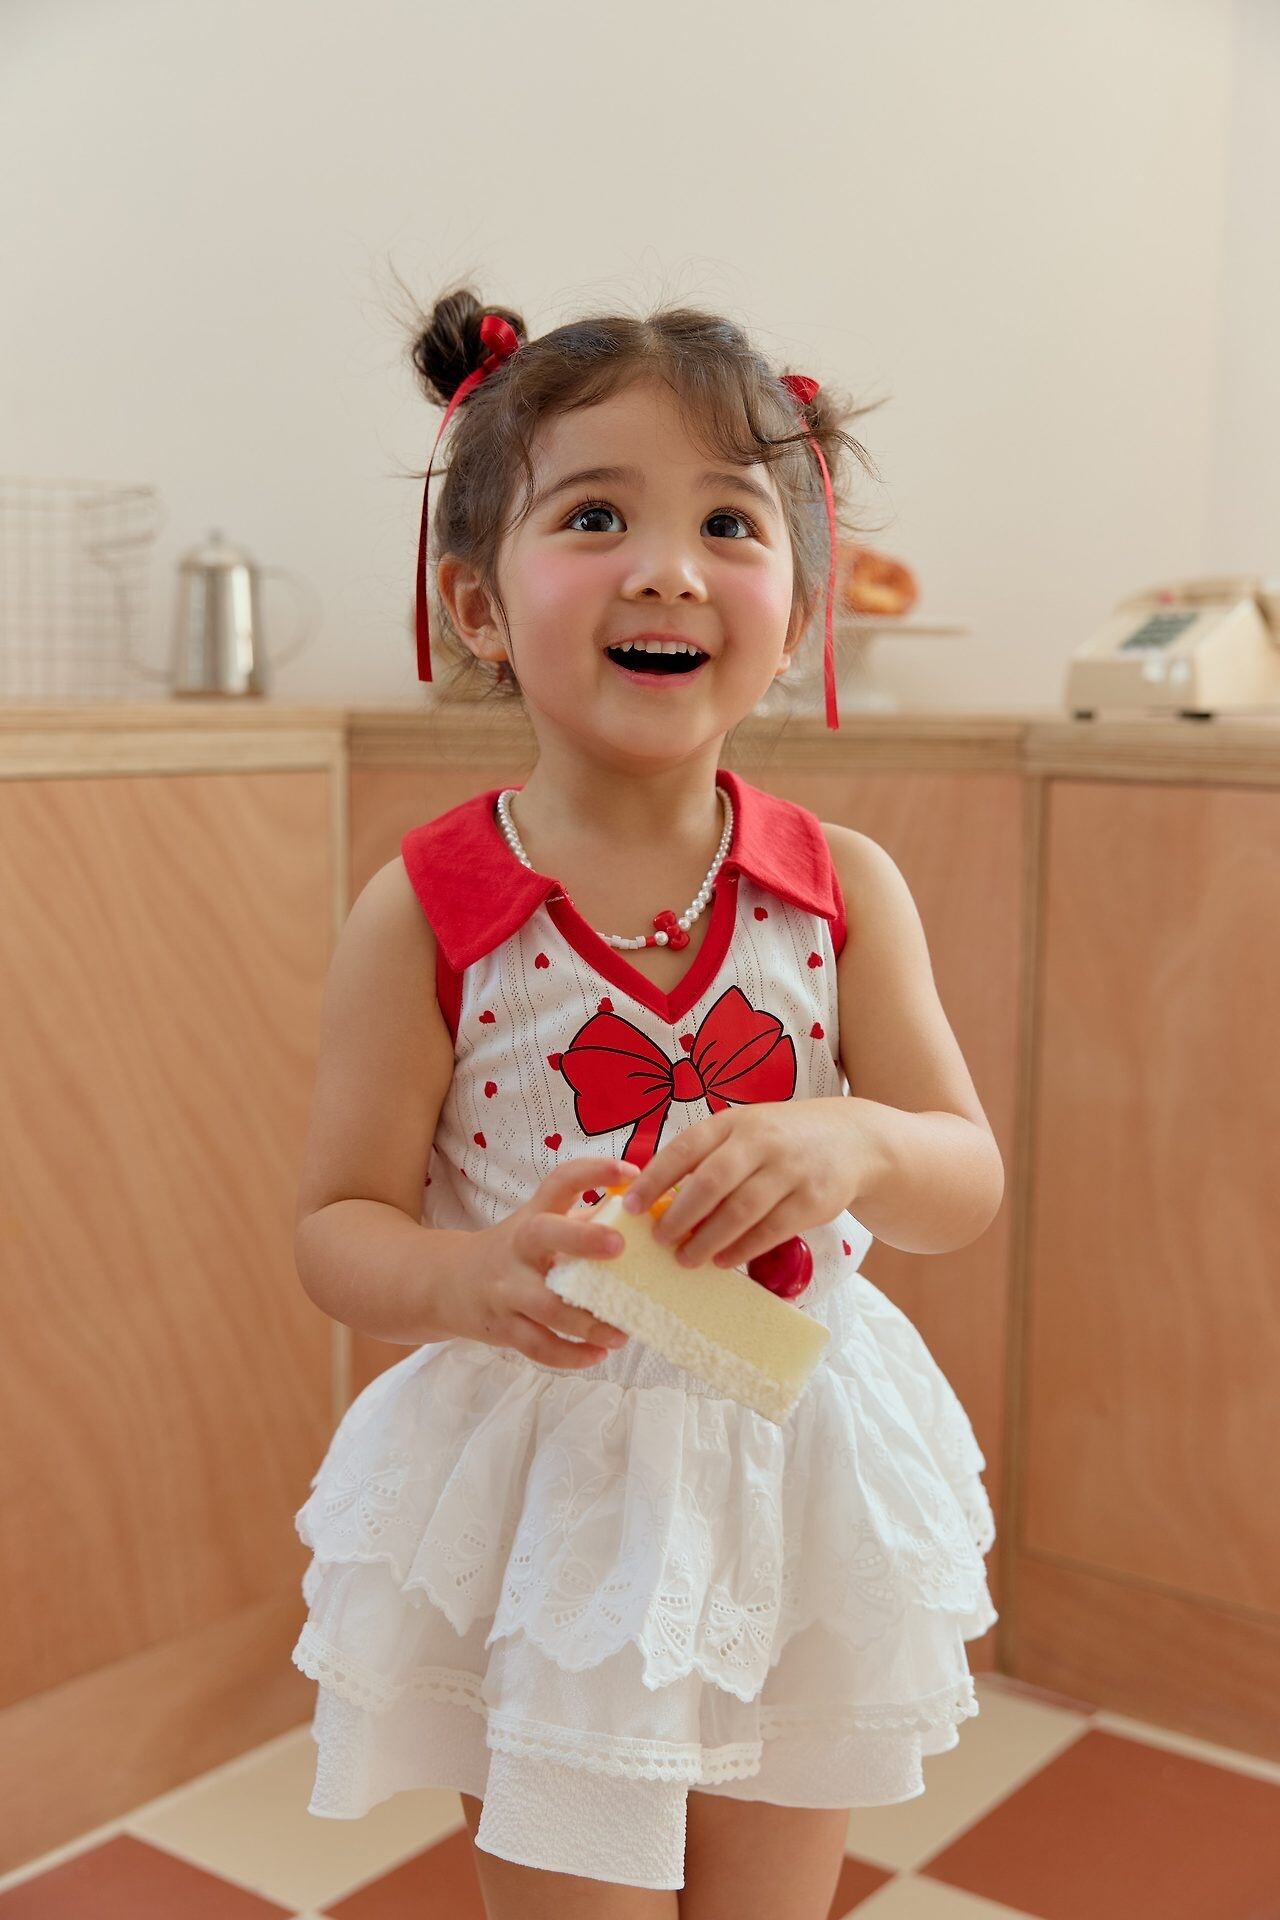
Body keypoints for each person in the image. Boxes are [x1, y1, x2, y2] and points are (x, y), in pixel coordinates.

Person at [290, 288, 1004, 1920]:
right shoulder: (429, 912)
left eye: (730, 522)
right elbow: (336, 1228)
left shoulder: (843, 889)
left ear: (798, 611)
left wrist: (856, 1138)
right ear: (477, 604)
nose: (669, 568)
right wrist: (472, 1277)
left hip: (798, 1467)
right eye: (596, 515)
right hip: (550, 1497)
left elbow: (962, 1177)